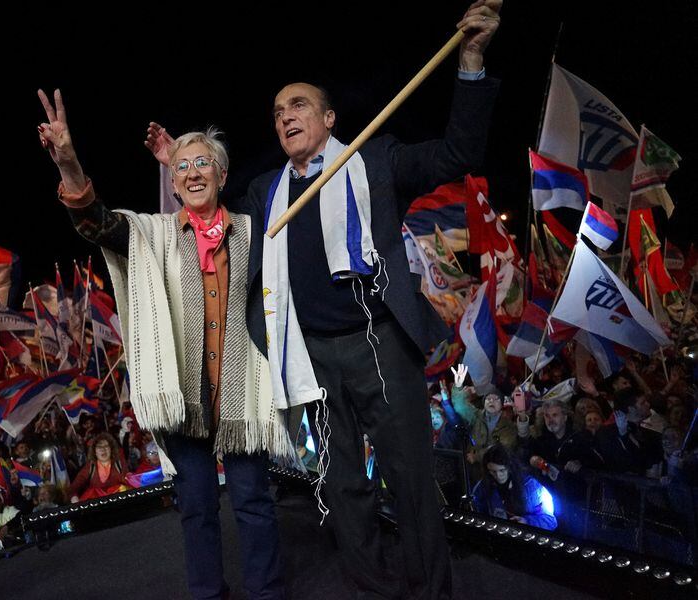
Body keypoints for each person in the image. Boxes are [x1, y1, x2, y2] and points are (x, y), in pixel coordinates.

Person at [145, 3, 502, 596]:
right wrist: (175, 173)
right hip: (308, 356)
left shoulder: (374, 160)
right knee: (340, 486)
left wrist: (469, 63)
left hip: (379, 340)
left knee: (409, 478)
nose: (285, 115)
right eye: (278, 110)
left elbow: (457, 155)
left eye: (299, 104)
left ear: (330, 117)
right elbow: (212, 236)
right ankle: (373, 584)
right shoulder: (265, 192)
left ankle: (429, 588)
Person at [37, 90, 292, 599]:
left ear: (222, 175)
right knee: (197, 508)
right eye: (183, 167)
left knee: (255, 504)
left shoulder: (259, 229)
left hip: (244, 396)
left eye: (204, 164)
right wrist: (68, 162)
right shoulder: (150, 233)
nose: (194, 172)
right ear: (172, 184)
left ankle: (268, 594)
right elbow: (95, 223)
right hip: (185, 403)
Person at [471, 443, 557, 531]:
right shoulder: (481, 488)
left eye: (502, 470)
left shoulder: (532, 487)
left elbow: (550, 521)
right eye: (493, 471)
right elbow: (477, 517)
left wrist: (526, 521)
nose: (498, 475)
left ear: (510, 467)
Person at [69, 433, 130, 501]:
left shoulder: (119, 464)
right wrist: (74, 497)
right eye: (99, 447)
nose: (103, 450)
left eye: (106, 446)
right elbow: (74, 487)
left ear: (111, 449)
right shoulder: (90, 467)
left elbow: (128, 481)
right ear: (94, 451)